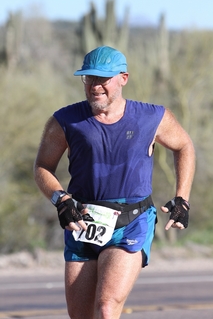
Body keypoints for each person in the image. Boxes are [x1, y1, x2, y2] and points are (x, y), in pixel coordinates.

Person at [34, 45, 195, 319]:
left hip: (132, 221)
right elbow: (42, 167)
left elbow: (184, 146)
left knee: (107, 308)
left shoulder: (151, 117)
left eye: (103, 79)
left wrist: (182, 197)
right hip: (83, 222)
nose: (95, 86)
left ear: (124, 78)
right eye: (89, 79)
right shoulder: (66, 121)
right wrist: (60, 200)